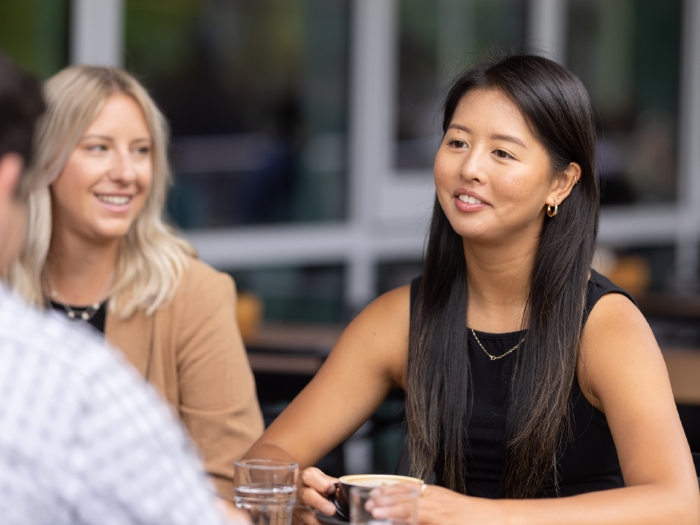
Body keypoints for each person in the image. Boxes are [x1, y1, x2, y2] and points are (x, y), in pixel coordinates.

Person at [244, 55, 700, 524]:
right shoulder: (400, 318)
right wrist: (291, 489)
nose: (470, 168)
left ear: (560, 184)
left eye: (502, 152)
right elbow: (268, 455)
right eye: (457, 142)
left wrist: (470, 514)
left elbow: (677, 504)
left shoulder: (605, 326)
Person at [0, 51, 250, 525]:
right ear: (44, 159)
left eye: (141, 150)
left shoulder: (195, 292)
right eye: (98, 148)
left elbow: (230, 480)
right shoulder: (7, 297)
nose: (126, 172)